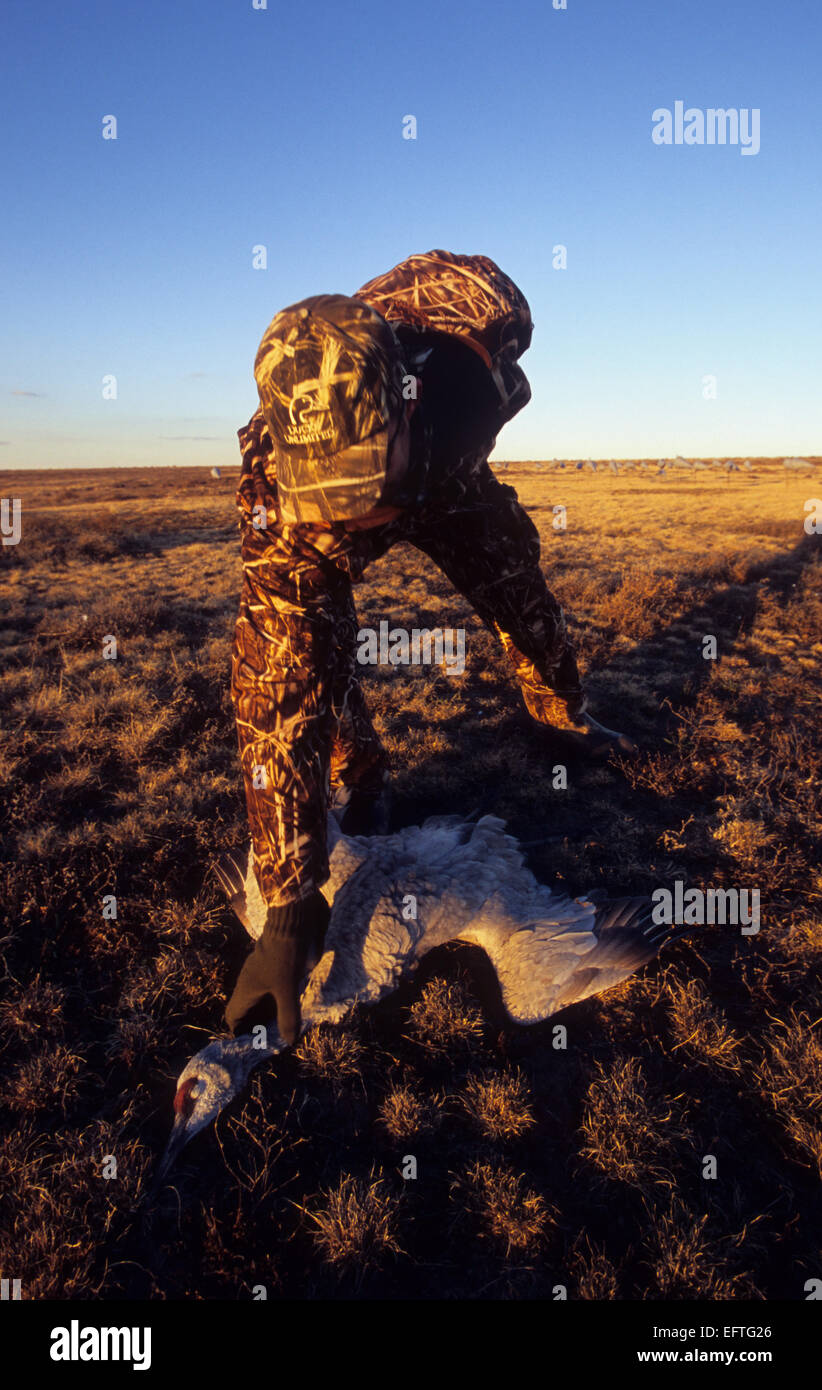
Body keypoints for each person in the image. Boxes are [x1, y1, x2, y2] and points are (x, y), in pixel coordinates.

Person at [224, 251, 635, 1044]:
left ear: (406, 403)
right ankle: (363, 775)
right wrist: (285, 904)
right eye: (335, 495)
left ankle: (562, 715)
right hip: (378, 486)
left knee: (517, 587)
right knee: (314, 645)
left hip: (448, 479)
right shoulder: (283, 500)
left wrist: (434, 448)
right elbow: (279, 678)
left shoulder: (472, 323)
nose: (358, 517)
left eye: (364, 487)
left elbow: (435, 298)